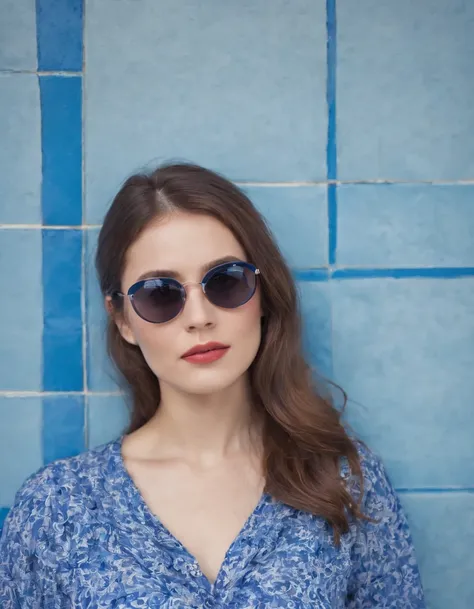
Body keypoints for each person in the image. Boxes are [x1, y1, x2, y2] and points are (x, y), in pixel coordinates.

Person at [0, 163, 426, 608]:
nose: (200, 317)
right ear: (122, 318)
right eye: (160, 293)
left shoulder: (344, 482)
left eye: (225, 281)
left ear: (263, 294)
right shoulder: (53, 509)